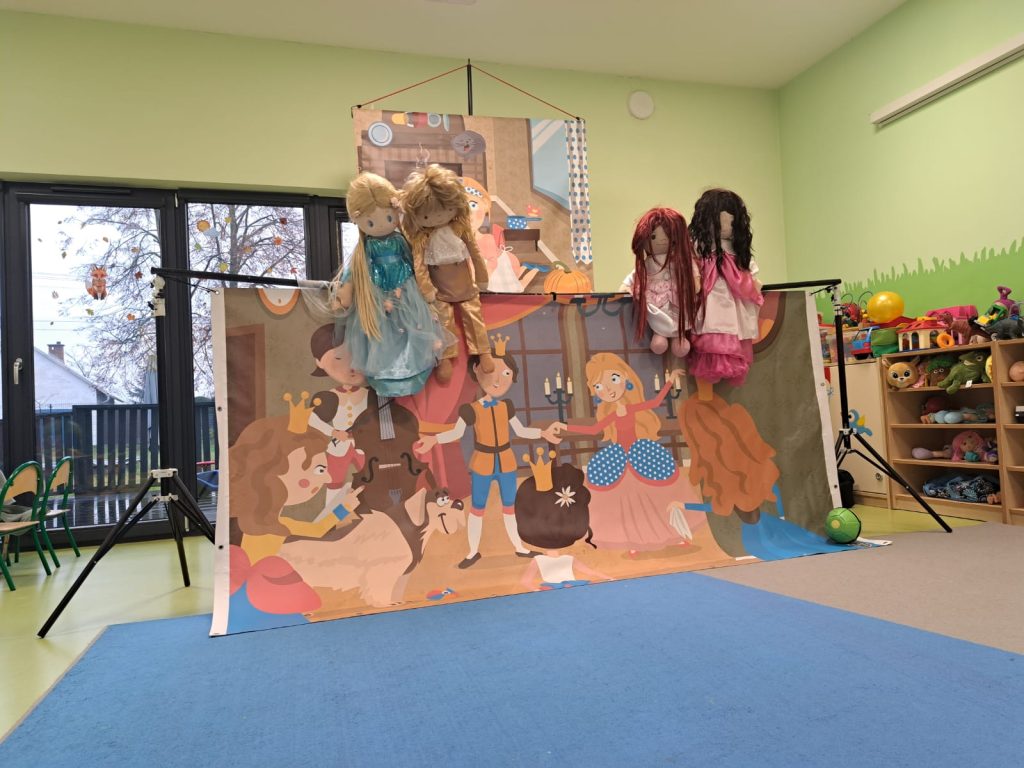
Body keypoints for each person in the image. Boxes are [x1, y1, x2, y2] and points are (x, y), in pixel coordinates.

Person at [414, 335, 565, 568]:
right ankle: (473, 551)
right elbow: (456, 433)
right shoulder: (471, 409)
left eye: (506, 373)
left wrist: (543, 434)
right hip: (482, 462)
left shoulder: (507, 407)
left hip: (506, 462)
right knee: (478, 508)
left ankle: (519, 547)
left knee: (509, 507)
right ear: (477, 370)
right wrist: (434, 439)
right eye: (492, 371)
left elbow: (521, 431)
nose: (498, 380)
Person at [331, 172, 451, 396]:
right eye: (370, 222)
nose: (381, 226)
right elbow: (353, 272)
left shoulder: (400, 240)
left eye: (389, 218)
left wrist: (428, 284)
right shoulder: (364, 250)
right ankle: (388, 375)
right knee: (382, 336)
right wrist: (344, 294)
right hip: (377, 296)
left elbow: (416, 263)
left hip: (407, 291)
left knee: (412, 332)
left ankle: (413, 371)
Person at [563, 353, 696, 554]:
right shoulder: (610, 414)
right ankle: (633, 541)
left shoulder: (632, 408)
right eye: (599, 386)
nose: (608, 389)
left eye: (613, 379)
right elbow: (593, 429)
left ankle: (672, 534)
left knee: (656, 497)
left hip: (640, 454)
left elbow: (655, 402)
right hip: (619, 459)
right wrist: (564, 427)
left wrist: (670, 381)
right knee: (625, 503)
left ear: (626, 377)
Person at [689, 189, 764, 400]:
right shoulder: (700, 247)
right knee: (712, 329)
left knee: (734, 330)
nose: (725, 228)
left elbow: (749, 270)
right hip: (711, 297)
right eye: (720, 223)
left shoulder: (737, 251)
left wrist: (754, 283)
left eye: (730, 223)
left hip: (734, 299)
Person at [515, 453, 609, 590]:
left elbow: (589, 572)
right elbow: (526, 581)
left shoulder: (568, 559)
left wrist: (607, 578)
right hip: (552, 589)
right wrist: (537, 590)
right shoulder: (539, 560)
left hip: (573, 586)